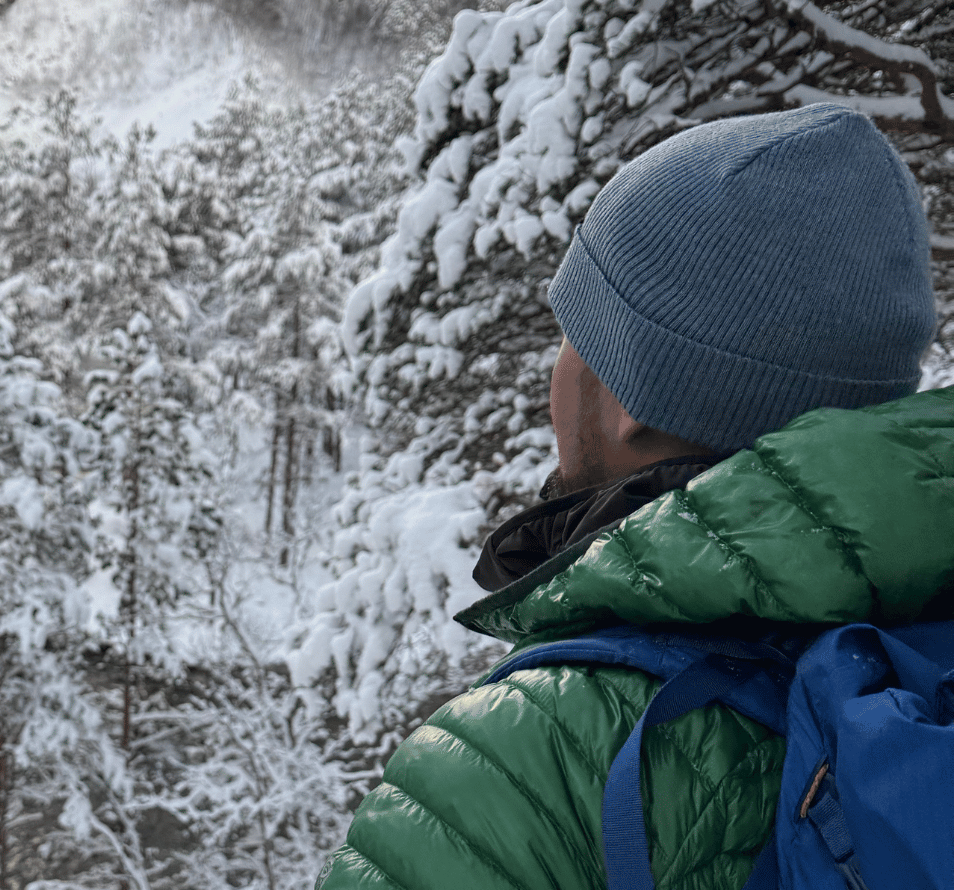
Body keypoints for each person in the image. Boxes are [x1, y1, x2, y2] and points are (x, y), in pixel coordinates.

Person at [316, 103, 953, 890]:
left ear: (637, 397)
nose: (555, 373)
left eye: (574, 334)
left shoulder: (532, 767)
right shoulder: (925, 673)